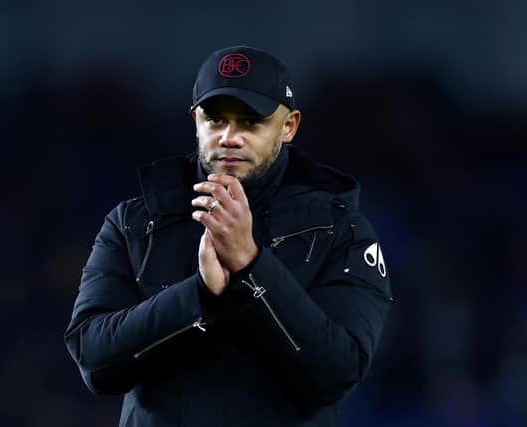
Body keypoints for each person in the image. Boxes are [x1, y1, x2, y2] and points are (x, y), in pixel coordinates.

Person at [64, 45, 393, 427]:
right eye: (215, 119)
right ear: (195, 121)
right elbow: (94, 361)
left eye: (251, 122)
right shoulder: (136, 222)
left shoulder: (340, 230)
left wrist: (250, 265)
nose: (229, 137)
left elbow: (336, 373)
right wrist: (199, 294)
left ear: (288, 126)